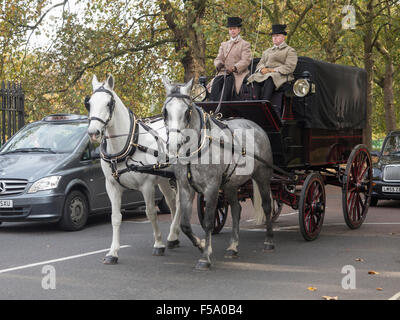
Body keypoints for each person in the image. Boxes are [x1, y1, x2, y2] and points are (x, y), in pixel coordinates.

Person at [247, 24, 298, 102]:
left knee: (270, 77)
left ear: (283, 37)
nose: (274, 38)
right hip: (265, 74)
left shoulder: (289, 50)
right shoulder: (267, 51)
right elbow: (260, 63)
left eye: (277, 35)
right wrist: (261, 69)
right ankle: (255, 102)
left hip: (282, 75)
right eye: (273, 36)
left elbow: (290, 67)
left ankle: (264, 102)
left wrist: (272, 70)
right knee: (254, 77)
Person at [210, 17, 252, 101]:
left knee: (228, 82)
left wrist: (234, 68)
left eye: (234, 29)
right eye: (230, 29)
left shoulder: (245, 44)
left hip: (238, 73)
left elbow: (246, 60)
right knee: (216, 82)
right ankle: (213, 104)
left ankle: (222, 105)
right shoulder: (224, 44)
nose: (232, 31)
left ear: (239, 30)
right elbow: (218, 58)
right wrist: (218, 64)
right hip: (223, 72)